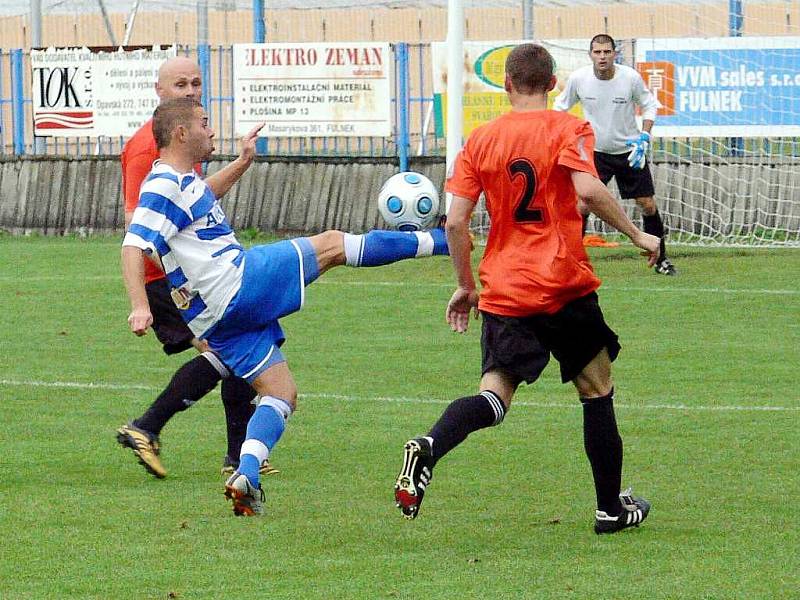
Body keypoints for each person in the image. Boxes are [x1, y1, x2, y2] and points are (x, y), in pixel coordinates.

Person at [121, 97, 450, 516]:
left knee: (281, 393)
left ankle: (247, 472)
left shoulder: (183, 183)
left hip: (214, 316)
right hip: (235, 283)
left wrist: (241, 163)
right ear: (182, 133)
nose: (212, 131)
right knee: (333, 245)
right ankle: (442, 242)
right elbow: (133, 244)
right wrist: (139, 306)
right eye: (205, 124)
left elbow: (202, 198)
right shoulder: (163, 182)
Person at [393, 43, 660, 535]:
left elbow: (454, 223)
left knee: (494, 397)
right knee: (597, 390)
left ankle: (430, 445)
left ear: (508, 85)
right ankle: (609, 510)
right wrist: (638, 233)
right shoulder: (568, 127)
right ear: (555, 83)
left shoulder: (480, 140)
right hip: (563, 284)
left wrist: (465, 286)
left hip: (505, 289)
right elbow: (588, 189)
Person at [116, 56, 276, 479]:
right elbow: (138, 224)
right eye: (180, 85)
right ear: (159, 91)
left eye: (196, 83)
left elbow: (198, 198)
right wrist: (159, 289)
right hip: (169, 278)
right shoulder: (147, 148)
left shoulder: (186, 144)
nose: (189, 91)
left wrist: (241, 163)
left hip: (194, 274)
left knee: (235, 345)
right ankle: (150, 428)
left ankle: (230, 451)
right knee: (228, 348)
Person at [553, 33, 677, 275]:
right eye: (597, 52)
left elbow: (650, 105)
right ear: (590, 55)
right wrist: (568, 134)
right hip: (595, 153)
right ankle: (572, 263)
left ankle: (661, 259)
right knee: (582, 205)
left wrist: (645, 136)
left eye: (607, 52)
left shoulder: (629, 78)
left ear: (614, 54)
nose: (602, 57)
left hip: (630, 151)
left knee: (647, 204)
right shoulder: (580, 78)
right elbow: (559, 107)